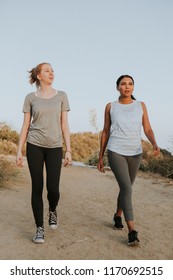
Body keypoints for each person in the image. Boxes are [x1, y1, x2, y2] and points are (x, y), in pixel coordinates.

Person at [97, 75, 160, 246]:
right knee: (126, 188)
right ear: (117, 87)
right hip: (116, 150)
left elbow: (147, 128)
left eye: (130, 84)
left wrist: (154, 142)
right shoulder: (111, 106)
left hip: (135, 153)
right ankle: (132, 230)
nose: (127, 87)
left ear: (133, 87)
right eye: (123, 84)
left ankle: (118, 215)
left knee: (126, 188)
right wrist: (101, 156)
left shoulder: (141, 105)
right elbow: (105, 132)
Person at [16, 62, 72, 244]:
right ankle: (39, 228)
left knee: (53, 189)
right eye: (47, 70)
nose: (51, 72)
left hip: (55, 146)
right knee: (37, 187)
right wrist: (19, 150)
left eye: (52, 70)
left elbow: (64, 124)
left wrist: (69, 150)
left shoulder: (62, 96)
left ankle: (53, 209)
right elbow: (25, 125)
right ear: (39, 76)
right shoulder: (30, 98)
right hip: (35, 145)